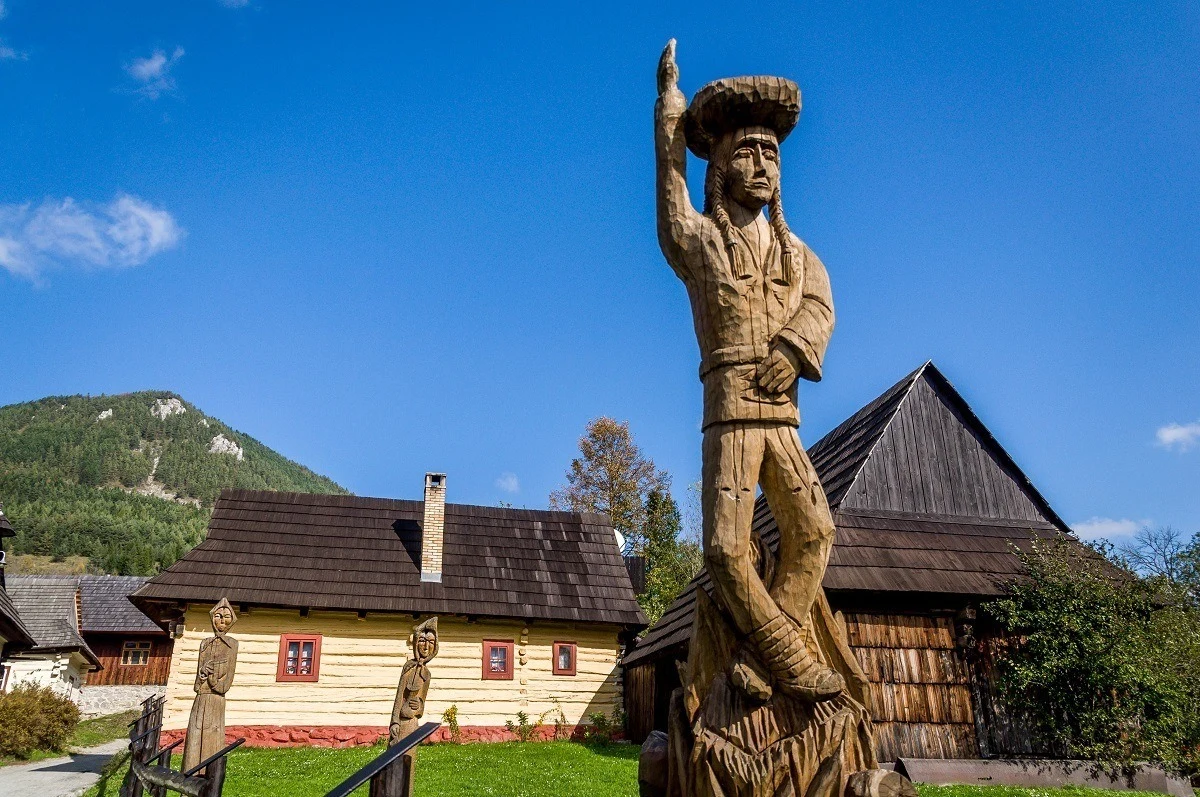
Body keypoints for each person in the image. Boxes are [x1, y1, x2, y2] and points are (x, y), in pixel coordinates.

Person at [654, 39, 842, 702]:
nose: (762, 164)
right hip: (730, 412)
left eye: (772, 153)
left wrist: (793, 349)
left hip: (782, 417)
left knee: (815, 528)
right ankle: (791, 659)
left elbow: (820, 303)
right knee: (726, 551)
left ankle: (769, 656)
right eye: (747, 151)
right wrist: (669, 109)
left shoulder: (797, 255)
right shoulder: (701, 243)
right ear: (721, 164)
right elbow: (673, 202)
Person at [183, 598, 238, 773]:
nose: (222, 621)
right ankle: (190, 773)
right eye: (218, 616)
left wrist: (213, 678)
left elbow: (225, 684)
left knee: (212, 734)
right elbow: (197, 685)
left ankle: (208, 775)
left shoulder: (232, 645)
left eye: (227, 617)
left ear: (233, 620)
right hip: (200, 699)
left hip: (216, 700)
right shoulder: (205, 644)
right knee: (194, 735)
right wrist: (202, 673)